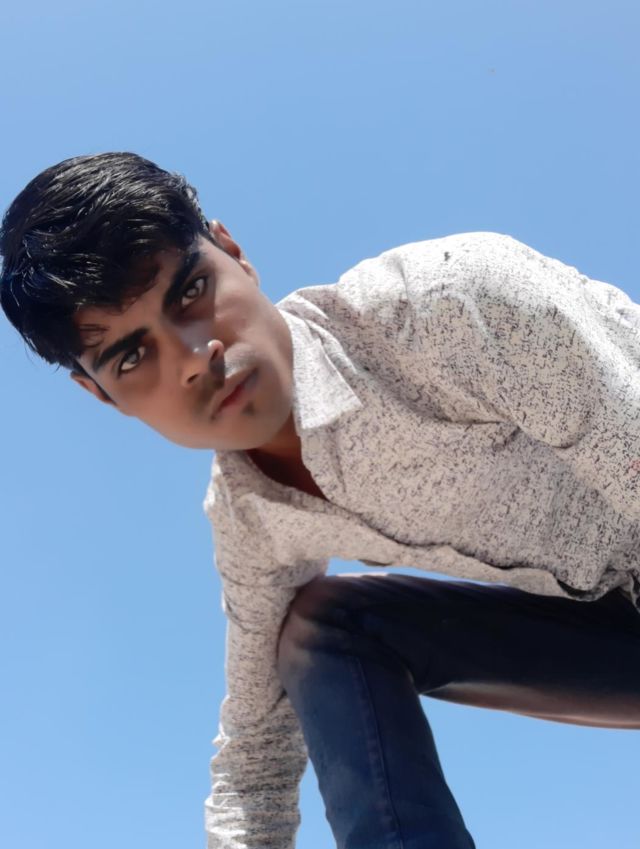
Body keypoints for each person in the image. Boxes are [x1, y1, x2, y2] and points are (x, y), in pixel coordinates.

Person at [2, 151, 640, 849]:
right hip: (614, 631)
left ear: (234, 254)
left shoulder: (449, 306)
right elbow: (253, 758)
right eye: (132, 358)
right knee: (323, 628)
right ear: (101, 395)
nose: (192, 356)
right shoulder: (250, 518)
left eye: (191, 290)